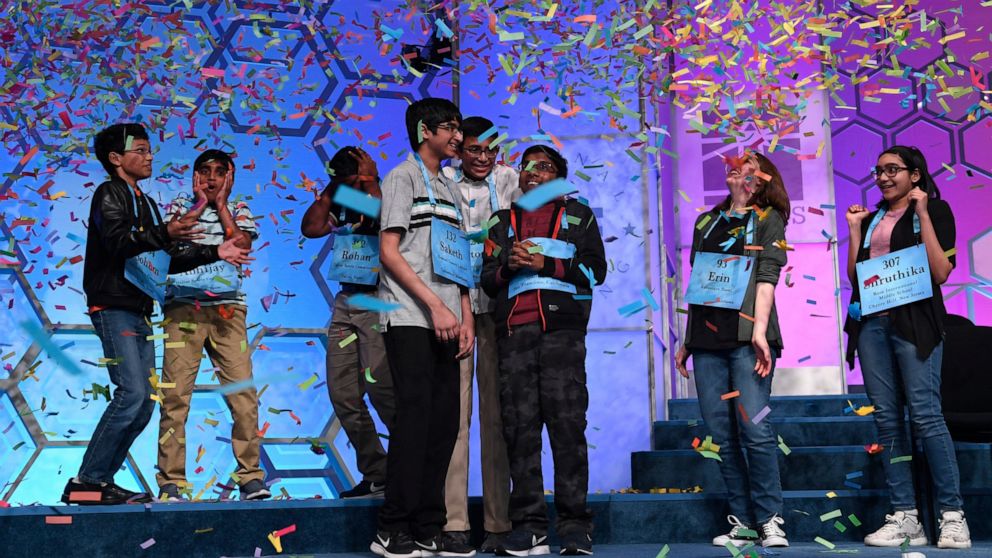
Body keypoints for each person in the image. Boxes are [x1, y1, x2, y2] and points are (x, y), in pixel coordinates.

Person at [62, 124, 251, 505]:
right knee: (132, 392)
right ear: (116, 158)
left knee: (146, 398)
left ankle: (98, 483)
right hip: (113, 305)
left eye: (150, 151)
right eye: (142, 150)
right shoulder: (109, 193)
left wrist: (216, 253)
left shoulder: (144, 202)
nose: (150, 157)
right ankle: (87, 481)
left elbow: (164, 260)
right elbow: (117, 243)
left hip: (138, 308)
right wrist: (165, 231)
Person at [481, 145, 606, 557]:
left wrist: (546, 265)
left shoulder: (579, 215)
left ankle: (573, 526)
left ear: (559, 176)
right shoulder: (501, 222)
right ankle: (529, 526)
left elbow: (595, 271)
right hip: (514, 335)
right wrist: (509, 266)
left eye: (545, 166)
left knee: (568, 429)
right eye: (527, 166)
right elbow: (486, 279)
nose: (533, 172)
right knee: (520, 431)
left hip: (562, 336)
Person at [845, 146, 970, 549]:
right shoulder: (873, 216)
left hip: (915, 323)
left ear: (915, 176)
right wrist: (853, 232)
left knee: (926, 414)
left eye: (892, 170)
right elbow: (857, 277)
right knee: (887, 420)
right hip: (872, 324)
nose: (882, 177)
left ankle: (952, 516)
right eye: (878, 170)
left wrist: (923, 214)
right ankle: (906, 516)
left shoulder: (937, 209)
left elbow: (941, 271)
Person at [370, 98, 476, 558]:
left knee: (444, 423)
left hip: (451, 319)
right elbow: (389, 252)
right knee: (414, 420)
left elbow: (459, 261)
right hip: (411, 315)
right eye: (450, 128)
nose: (458, 136)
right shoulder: (402, 177)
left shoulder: (450, 188)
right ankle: (393, 527)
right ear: (424, 133)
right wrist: (435, 306)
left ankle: (429, 524)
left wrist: (466, 315)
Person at [674, 152, 790, 549]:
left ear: (761, 176)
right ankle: (742, 521)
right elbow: (701, 284)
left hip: (747, 340)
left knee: (754, 429)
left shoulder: (768, 218)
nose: (739, 166)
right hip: (708, 343)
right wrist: (687, 339)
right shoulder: (706, 220)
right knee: (721, 435)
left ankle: (771, 519)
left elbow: (767, 279)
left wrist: (759, 333)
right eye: (735, 162)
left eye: (750, 163)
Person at [156, 149, 269, 502]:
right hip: (182, 311)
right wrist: (198, 206)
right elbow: (170, 246)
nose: (211, 177)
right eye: (204, 171)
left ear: (231, 177)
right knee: (175, 398)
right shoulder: (178, 206)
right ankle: (171, 483)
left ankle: (250, 477)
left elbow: (242, 243)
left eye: (220, 172)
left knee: (243, 397)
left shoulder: (239, 210)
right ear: (194, 177)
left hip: (227, 312)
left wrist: (220, 206)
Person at [440, 116, 519, 553]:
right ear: (459, 149)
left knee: (496, 421)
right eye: (474, 150)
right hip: (452, 314)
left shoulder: (511, 181)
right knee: (455, 419)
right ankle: (453, 524)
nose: (483, 158)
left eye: (490, 150)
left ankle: (499, 524)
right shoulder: (442, 183)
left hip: (500, 314)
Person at [302, 146, 395, 499]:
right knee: (343, 393)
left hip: (379, 299)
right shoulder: (338, 196)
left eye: (355, 175)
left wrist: (369, 181)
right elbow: (310, 228)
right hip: (346, 300)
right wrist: (331, 188)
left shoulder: (386, 192)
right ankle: (377, 472)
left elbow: (385, 217)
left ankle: (407, 468)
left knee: (382, 390)